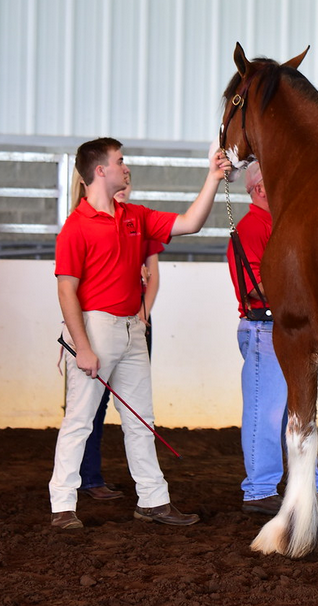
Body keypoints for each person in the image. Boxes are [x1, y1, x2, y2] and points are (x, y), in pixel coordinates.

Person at [50, 137, 231, 529]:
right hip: (96, 326)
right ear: (100, 171)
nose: (125, 167)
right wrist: (82, 347)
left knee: (140, 420)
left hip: (133, 327)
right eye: (120, 161)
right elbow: (66, 289)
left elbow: (191, 223)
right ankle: (62, 505)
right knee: (80, 419)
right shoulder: (75, 228)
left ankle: (152, 499)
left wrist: (213, 177)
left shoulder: (135, 216)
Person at [227, 161, 318, 515]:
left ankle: (305, 481)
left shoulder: (276, 225)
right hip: (267, 326)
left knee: (293, 410)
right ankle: (260, 489)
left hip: (283, 327)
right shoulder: (252, 227)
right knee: (266, 412)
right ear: (260, 189)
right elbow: (254, 287)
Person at [68, 173, 165, 501]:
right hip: (100, 325)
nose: (123, 190)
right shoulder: (82, 224)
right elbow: (76, 287)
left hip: (134, 324)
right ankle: (88, 478)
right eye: (119, 185)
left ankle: (147, 492)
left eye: (127, 186)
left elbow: (153, 277)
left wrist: (143, 313)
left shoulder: (140, 222)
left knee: (137, 412)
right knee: (91, 409)